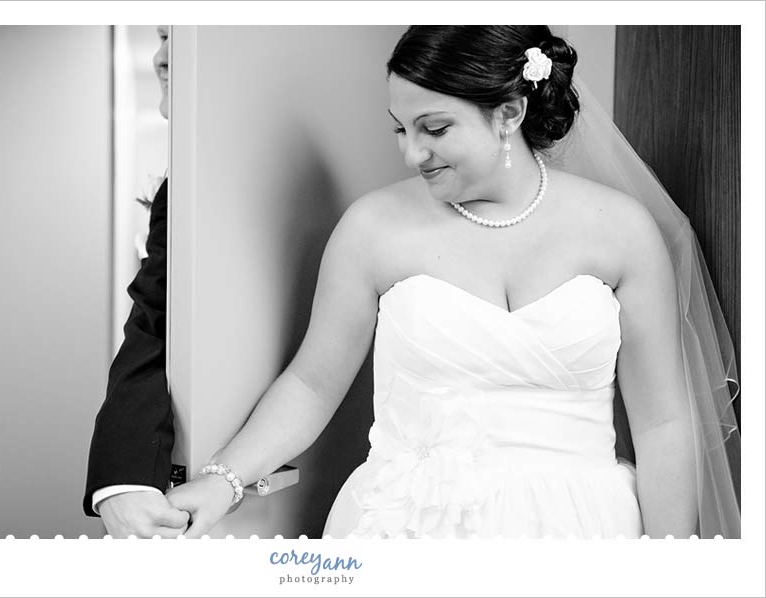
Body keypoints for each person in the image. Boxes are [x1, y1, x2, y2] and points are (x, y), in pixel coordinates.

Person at [165, 25, 740, 539]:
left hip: (583, 527)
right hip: (410, 526)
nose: (413, 152)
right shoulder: (372, 228)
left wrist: (672, 563)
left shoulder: (622, 230)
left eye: (434, 128)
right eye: (400, 129)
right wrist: (223, 481)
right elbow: (312, 385)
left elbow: (664, 421)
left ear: (509, 113)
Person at [83, 25, 189, 539]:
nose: (160, 57)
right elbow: (157, 317)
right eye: (161, 37)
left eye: (177, 37)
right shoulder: (184, 182)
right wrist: (122, 479)